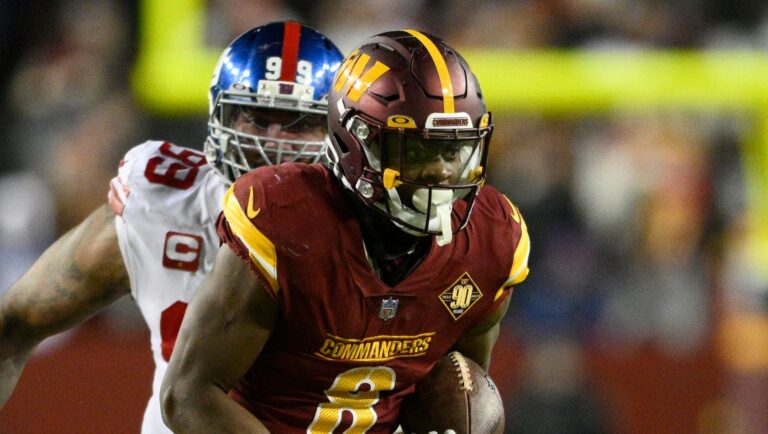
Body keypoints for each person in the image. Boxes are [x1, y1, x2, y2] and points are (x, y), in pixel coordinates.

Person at [161, 29, 531, 433]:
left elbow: (458, 385)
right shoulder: (286, 219)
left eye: (453, 150)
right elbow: (188, 395)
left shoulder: (491, 241)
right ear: (355, 142)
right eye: (417, 151)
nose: (442, 171)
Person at [0, 21, 343, 433]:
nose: (273, 143)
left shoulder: (386, 230)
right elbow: (14, 322)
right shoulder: (164, 206)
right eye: (255, 116)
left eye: (297, 121)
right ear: (220, 116)